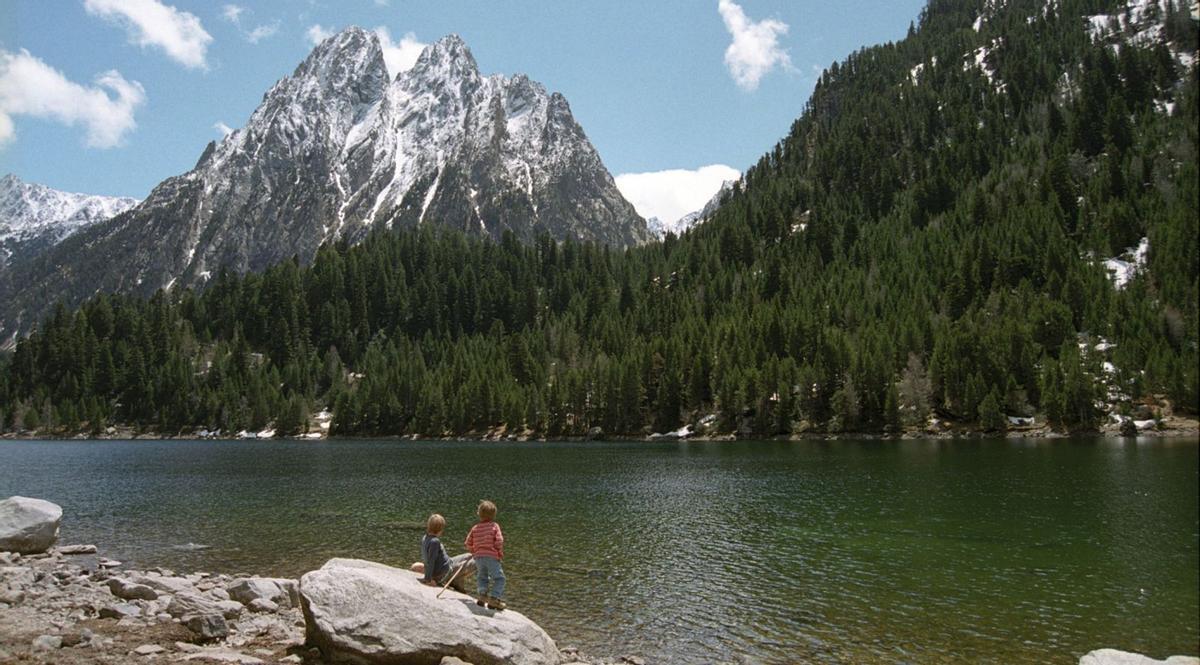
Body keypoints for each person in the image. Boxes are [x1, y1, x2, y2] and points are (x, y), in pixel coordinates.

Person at [465, 499, 506, 610]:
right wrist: (499, 552)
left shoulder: (475, 528)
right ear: (494, 515)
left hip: (478, 557)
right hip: (492, 556)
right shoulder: (494, 526)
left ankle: (482, 597)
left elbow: (468, 543)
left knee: (482, 576)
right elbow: (499, 541)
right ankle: (494, 599)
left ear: (479, 514)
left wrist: (474, 551)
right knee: (499, 578)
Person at [419, 514, 473, 591]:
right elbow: (430, 561)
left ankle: (457, 579)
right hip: (444, 571)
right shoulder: (435, 542)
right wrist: (428, 579)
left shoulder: (425, 537)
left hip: (448, 562)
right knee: (475, 561)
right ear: (440, 529)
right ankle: (456, 579)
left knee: (469, 555)